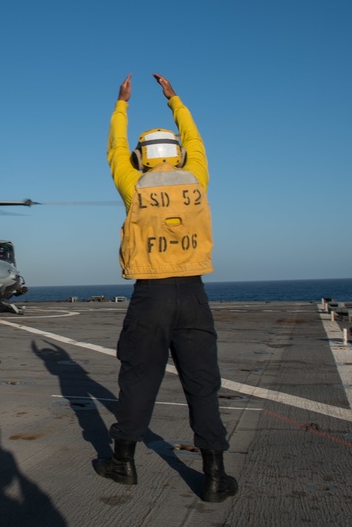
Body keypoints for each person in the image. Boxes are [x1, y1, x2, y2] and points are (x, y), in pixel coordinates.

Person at [97, 73, 237, 503]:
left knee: (139, 378)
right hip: (193, 296)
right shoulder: (196, 177)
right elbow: (197, 140)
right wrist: (176, 99)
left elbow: (114, 150)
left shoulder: (133, 184)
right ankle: (214, 475)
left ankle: (123, 463)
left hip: (150, 296)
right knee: (202, 384)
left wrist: (121, 104)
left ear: (142, 157)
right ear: (176, 153)